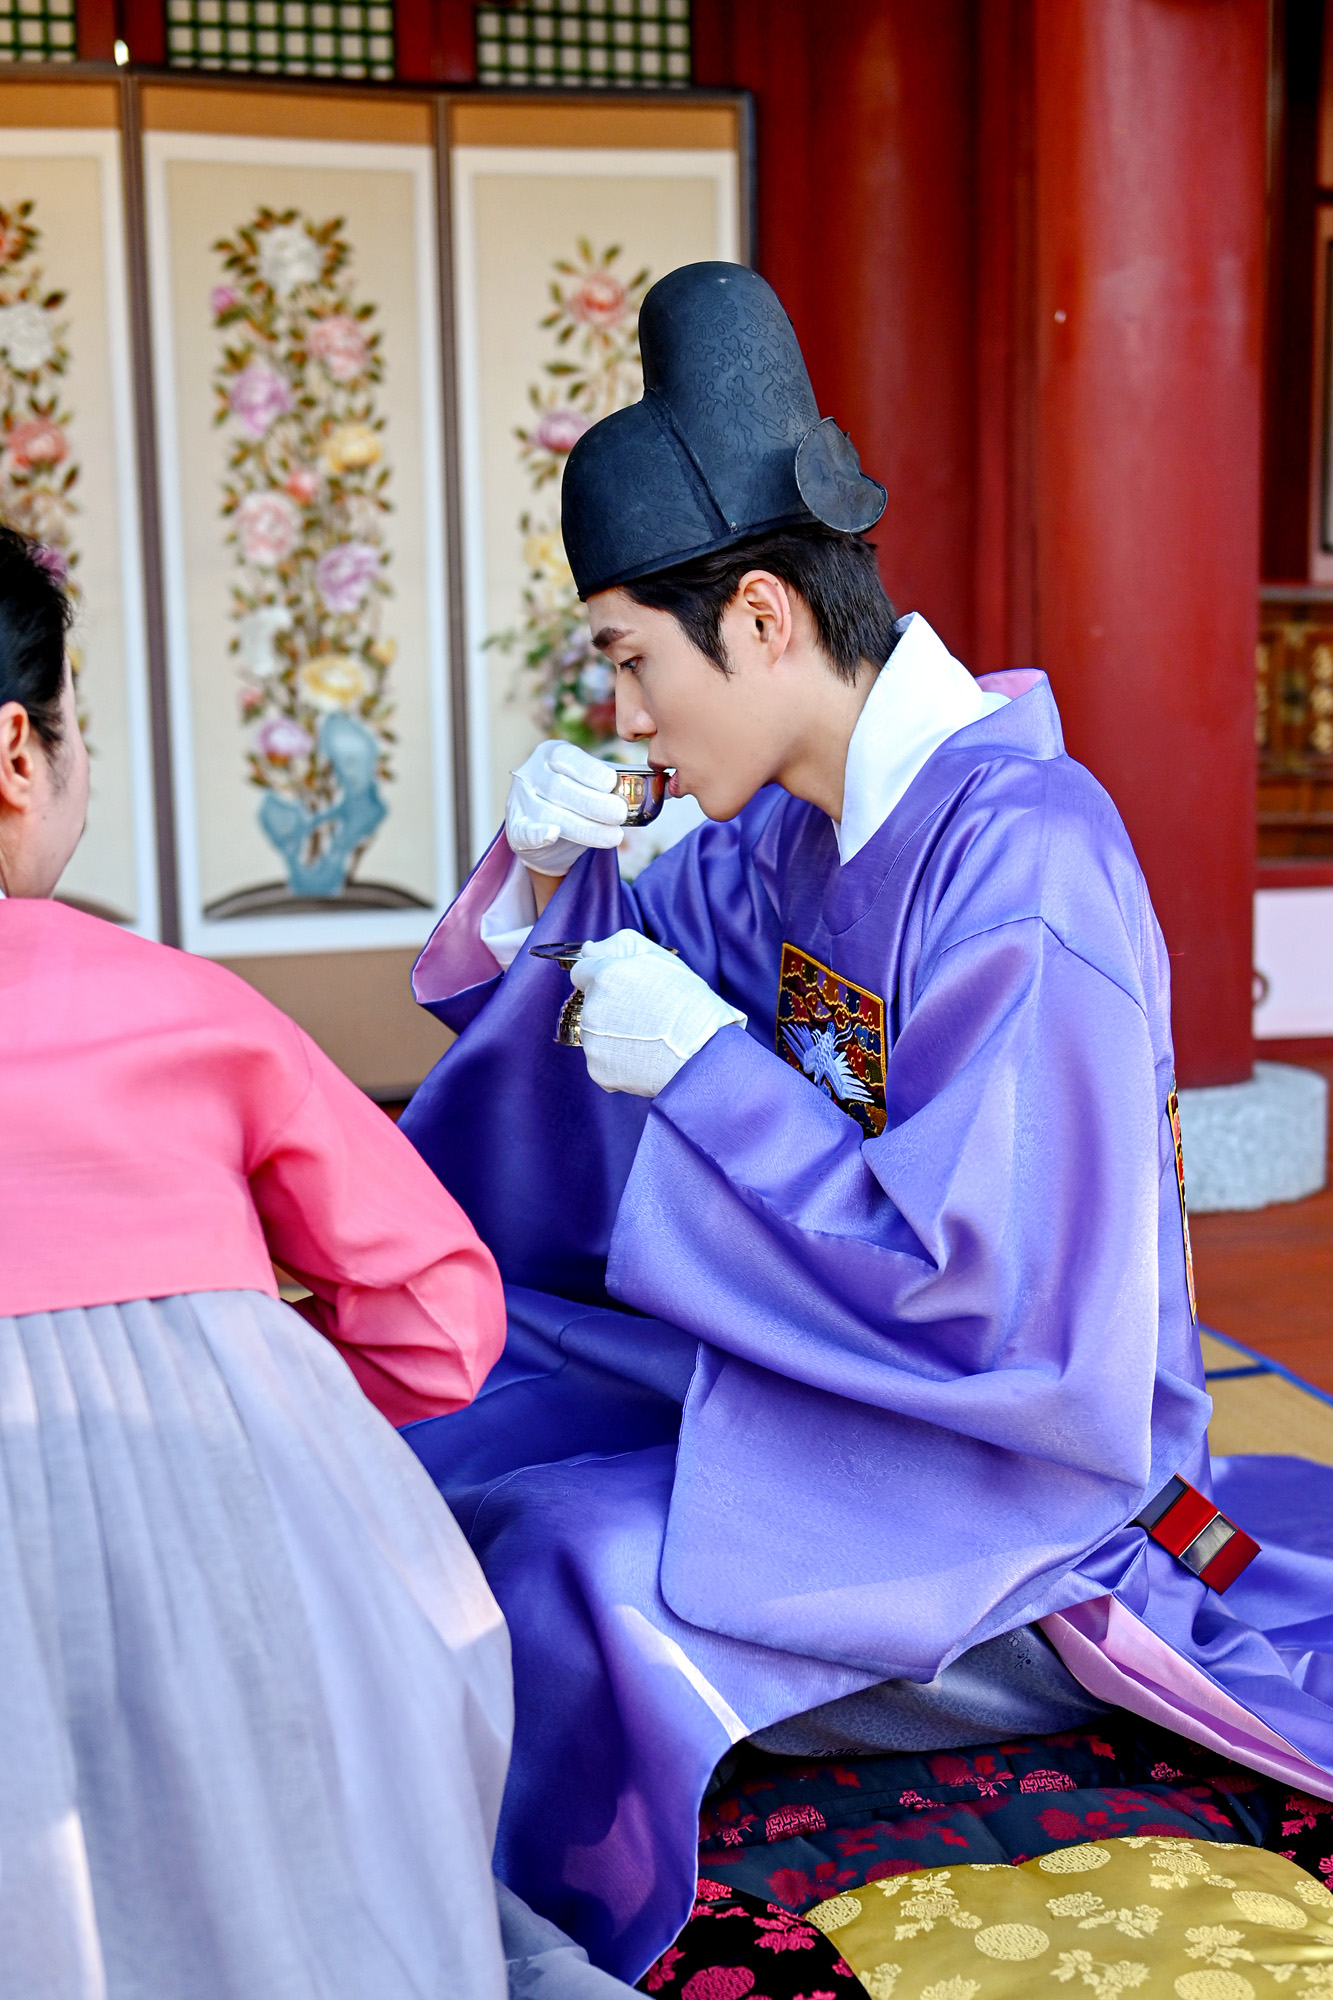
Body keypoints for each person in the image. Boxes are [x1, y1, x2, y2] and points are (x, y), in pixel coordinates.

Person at [398, 265, 1333, 1984]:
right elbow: (607, 1016)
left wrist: (705, 1069)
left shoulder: (1024, 861)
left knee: (565, 1563)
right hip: (857, 1383)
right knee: (468, 1409)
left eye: (630, 662)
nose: (625, 717)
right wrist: (543, 883)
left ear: (759, 617)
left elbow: (998, 1303)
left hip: (1013, 1477)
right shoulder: (796, 828)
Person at [0, 524, 639, 2000]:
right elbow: (437, 1320)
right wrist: (241, 1363)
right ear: (18, 753)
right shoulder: (180, 1009)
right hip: (226, 1602)